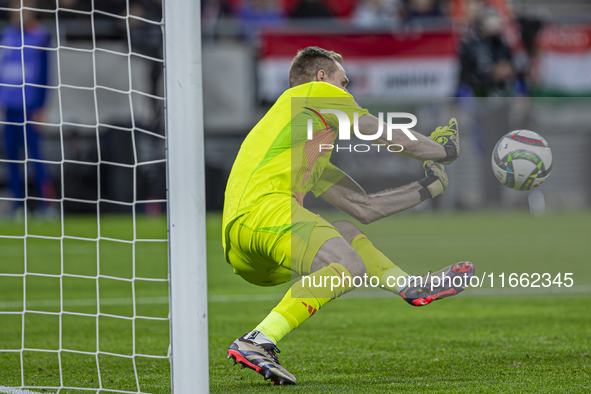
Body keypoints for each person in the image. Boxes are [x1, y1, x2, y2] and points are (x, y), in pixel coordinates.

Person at [223, 46, 474, 385]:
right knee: (350, 267)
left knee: (343, 229)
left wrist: (428, 187)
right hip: (265, 210)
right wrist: (444, 150)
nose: (348, 91)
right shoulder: (313, 93)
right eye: (344, 82)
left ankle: (408, 286)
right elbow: (384, 132)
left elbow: (365, 208)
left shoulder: (308, 148)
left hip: (246, 251)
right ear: (321, 77)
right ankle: (258, 339)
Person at [0, 0, 55, 218]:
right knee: (12, 157)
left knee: (36, 157)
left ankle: (47, 205)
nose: (17, 13)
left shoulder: (41, 35)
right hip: (10, 106)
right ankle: (17, 205)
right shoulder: (7, 35)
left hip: (30, 106)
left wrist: (42, 105)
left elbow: (46, 74)